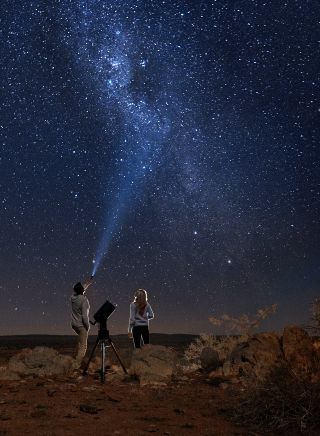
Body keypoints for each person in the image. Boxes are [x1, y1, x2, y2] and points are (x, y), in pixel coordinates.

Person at [71, 278, 93, 366]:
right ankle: (76, 365)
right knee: (83, 346)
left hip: (74, 324)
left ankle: (75, 357)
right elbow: (85, 316)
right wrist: (87, 326)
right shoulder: (84, 300)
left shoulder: (73, 297)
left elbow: (79, 290)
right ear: (82, 291)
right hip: (81, 326)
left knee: (80, 341)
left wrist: (87, 284)